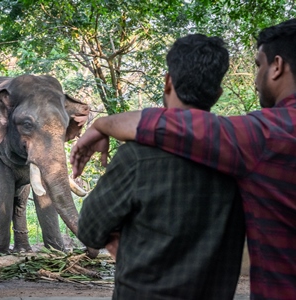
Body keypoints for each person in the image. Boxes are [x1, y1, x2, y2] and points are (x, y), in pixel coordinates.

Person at [71, 19, 296, 299]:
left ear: (277, 66)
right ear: (218, 94)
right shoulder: (240, 162)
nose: (256, 76)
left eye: (258, 64)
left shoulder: (260, 139)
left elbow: (90, 228)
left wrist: (101, 124)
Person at [77, 34, 246, 300]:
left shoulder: (136, 157)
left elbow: (89, 228)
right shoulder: (242, 155)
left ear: (168, 82)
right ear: (218, 93)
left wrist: (117, 236)